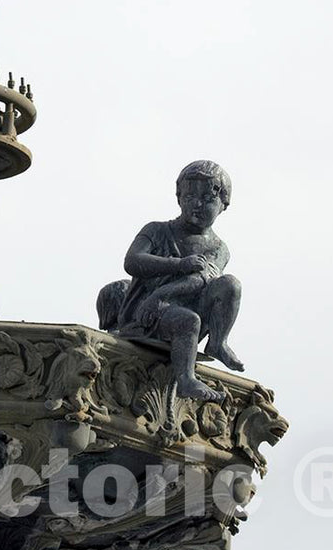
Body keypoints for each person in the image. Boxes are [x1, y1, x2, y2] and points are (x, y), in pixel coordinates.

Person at [96, 160, 244, 402]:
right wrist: (177, 266)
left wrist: (161, 294)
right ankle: (186, 379)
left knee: (231, 285)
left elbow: (204, 279)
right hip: (146, 314)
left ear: (223, 204)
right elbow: (132, 261)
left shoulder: (219, 248)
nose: (197, 204)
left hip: (171, 304)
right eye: (190, 196)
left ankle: (218, 342)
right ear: (179, 197)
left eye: (207, 199)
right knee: (188, 320)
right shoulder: (156, 230)